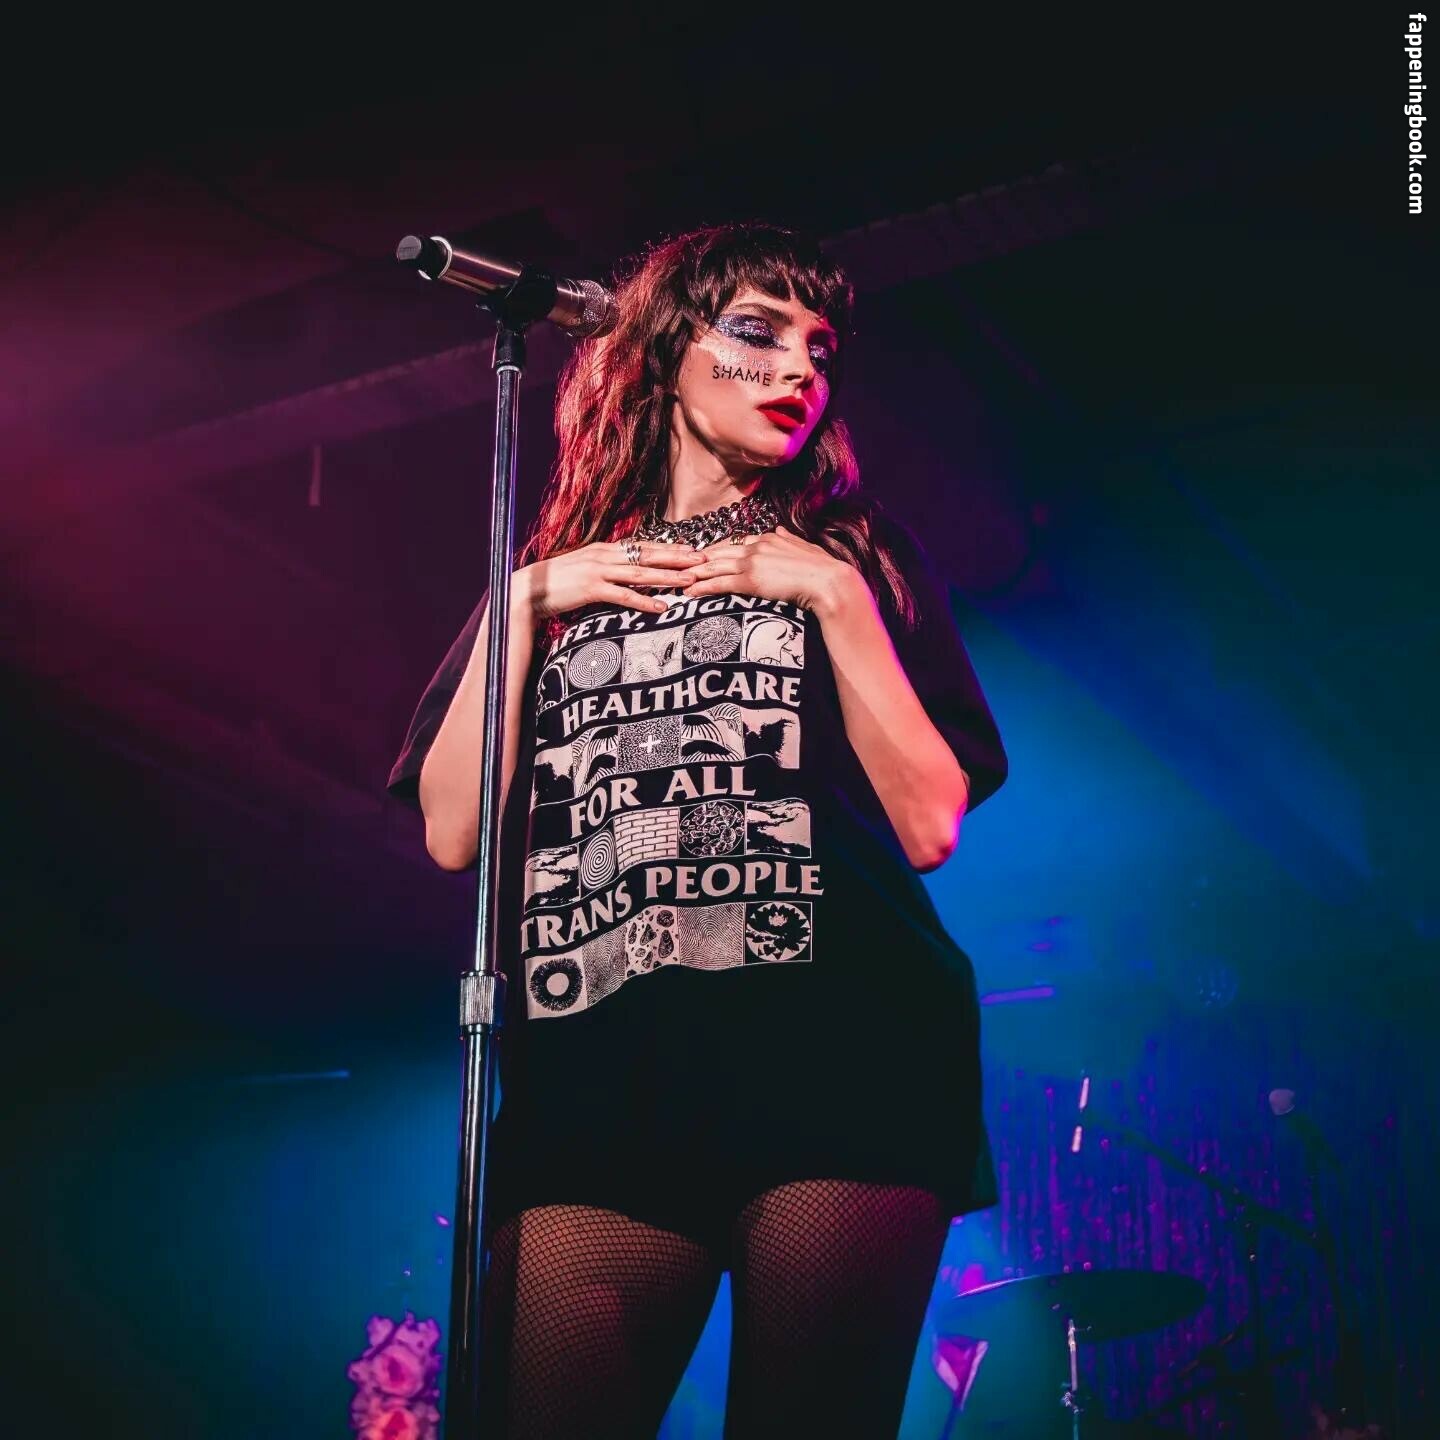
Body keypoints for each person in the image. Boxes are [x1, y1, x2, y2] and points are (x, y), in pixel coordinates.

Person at [387, 221, 1009, 1439]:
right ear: (665, 351)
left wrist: (831, 593)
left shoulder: (856, 555)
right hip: (601, 1076)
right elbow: (454, 834)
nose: (799, 370)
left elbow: (931, 820)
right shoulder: (555, 577)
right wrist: (523, 603)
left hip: (841, 1057)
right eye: (758, 332)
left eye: (820, 349)